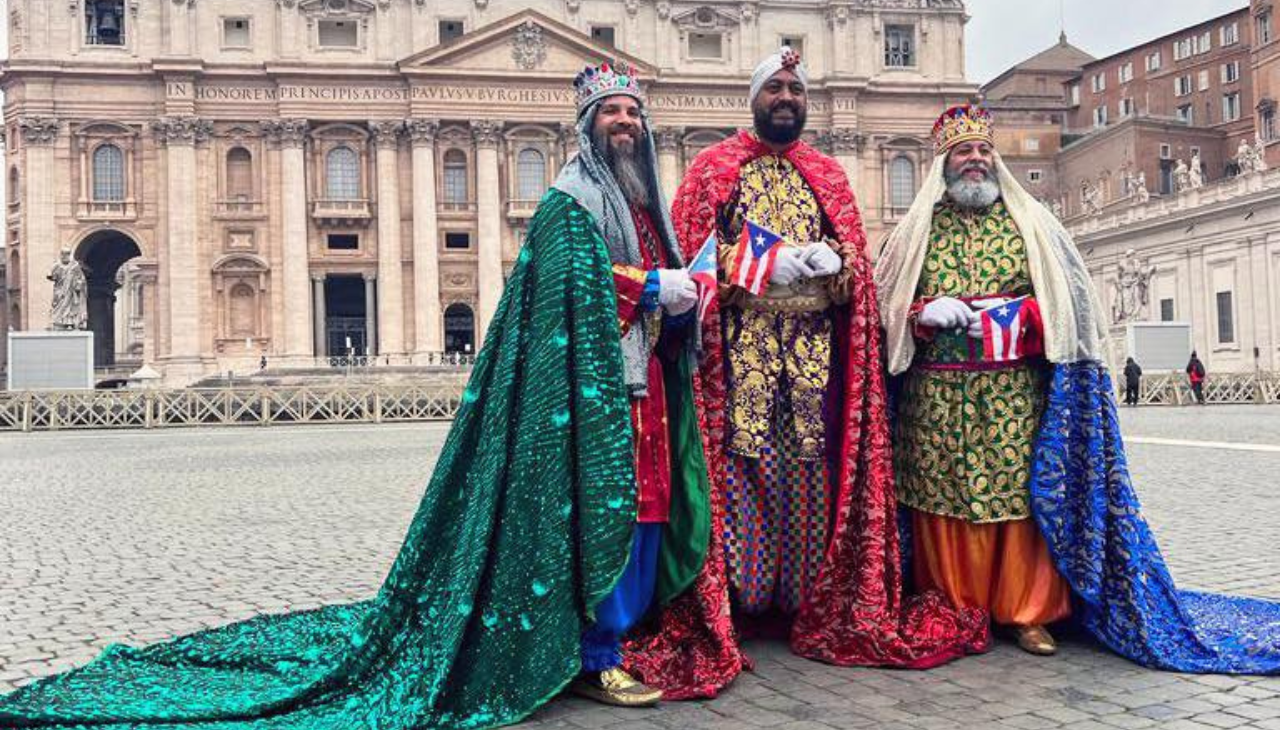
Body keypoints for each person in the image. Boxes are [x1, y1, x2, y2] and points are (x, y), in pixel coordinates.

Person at [0, 62, 714, 729]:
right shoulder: (569, 200)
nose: (625, 122)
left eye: (633, 112)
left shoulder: (642, 202)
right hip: (585, 389)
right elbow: (566, 276)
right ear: (587, 122)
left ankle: (621, 634)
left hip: (639, 377)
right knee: (595, 507)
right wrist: (651, 286)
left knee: (645, 505)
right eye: (612, 111)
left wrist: (685, 297)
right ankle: (594, 651)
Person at [623, 48, 988, 699]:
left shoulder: (829, 174)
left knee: (808, 478)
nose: (787, 97)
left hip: (816, 361)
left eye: (795, 88)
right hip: (738, 361)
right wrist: (758, 265)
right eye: (776, 87)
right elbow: (691, 258)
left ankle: (797, 599)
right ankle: (733, 601)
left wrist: (835, 261)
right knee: (740, 475)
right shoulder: (713, 170)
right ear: (756, 97)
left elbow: (860, 273)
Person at [876, 103, 1280, 672]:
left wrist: (1026, 320)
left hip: (1015, 393)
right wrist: (920, 313)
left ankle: (1026, 610)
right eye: (963, 152)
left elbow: (1070, 305)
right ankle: (954, 604)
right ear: (943, 164)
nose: (975, 160)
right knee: (943, 505)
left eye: (983, 151)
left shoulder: (1034, 225)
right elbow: (884, 308)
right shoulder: (912, 235)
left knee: (1016, 500)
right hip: (934, 399)